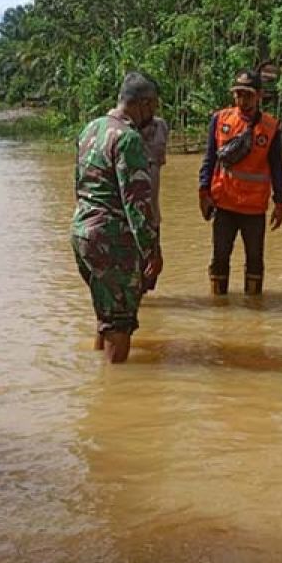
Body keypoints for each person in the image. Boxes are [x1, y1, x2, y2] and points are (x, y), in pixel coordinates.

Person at [72, 72, 162, 363]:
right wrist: (152, 251)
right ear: (143, 104)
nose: (154, 114)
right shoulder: (128, 139)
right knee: (120, 321)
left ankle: (101, 377)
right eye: (154, 107)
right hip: (111, 239)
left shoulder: (91, 129)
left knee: (106, 310)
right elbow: (137, 204)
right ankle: (113, 391)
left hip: (82, 232)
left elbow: (80, 184)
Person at [198, 69, 282, 295]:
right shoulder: (220, 120)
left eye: (247, 95)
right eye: (238, 94)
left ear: (259, 96)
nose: (242, 100)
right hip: (224, 203)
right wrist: (203, 192)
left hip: (254, 208)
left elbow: (277, 167)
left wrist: (280, 202)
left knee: (255, 259)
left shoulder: (270, 127)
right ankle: (219, 306)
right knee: (219, 257)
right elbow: (209, 159)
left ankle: (254, 305)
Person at [138, 110, 169, 292]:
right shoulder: (122, 132)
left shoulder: (161, 127)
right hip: (128, 218)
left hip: (152, 215)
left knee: (149, 278)